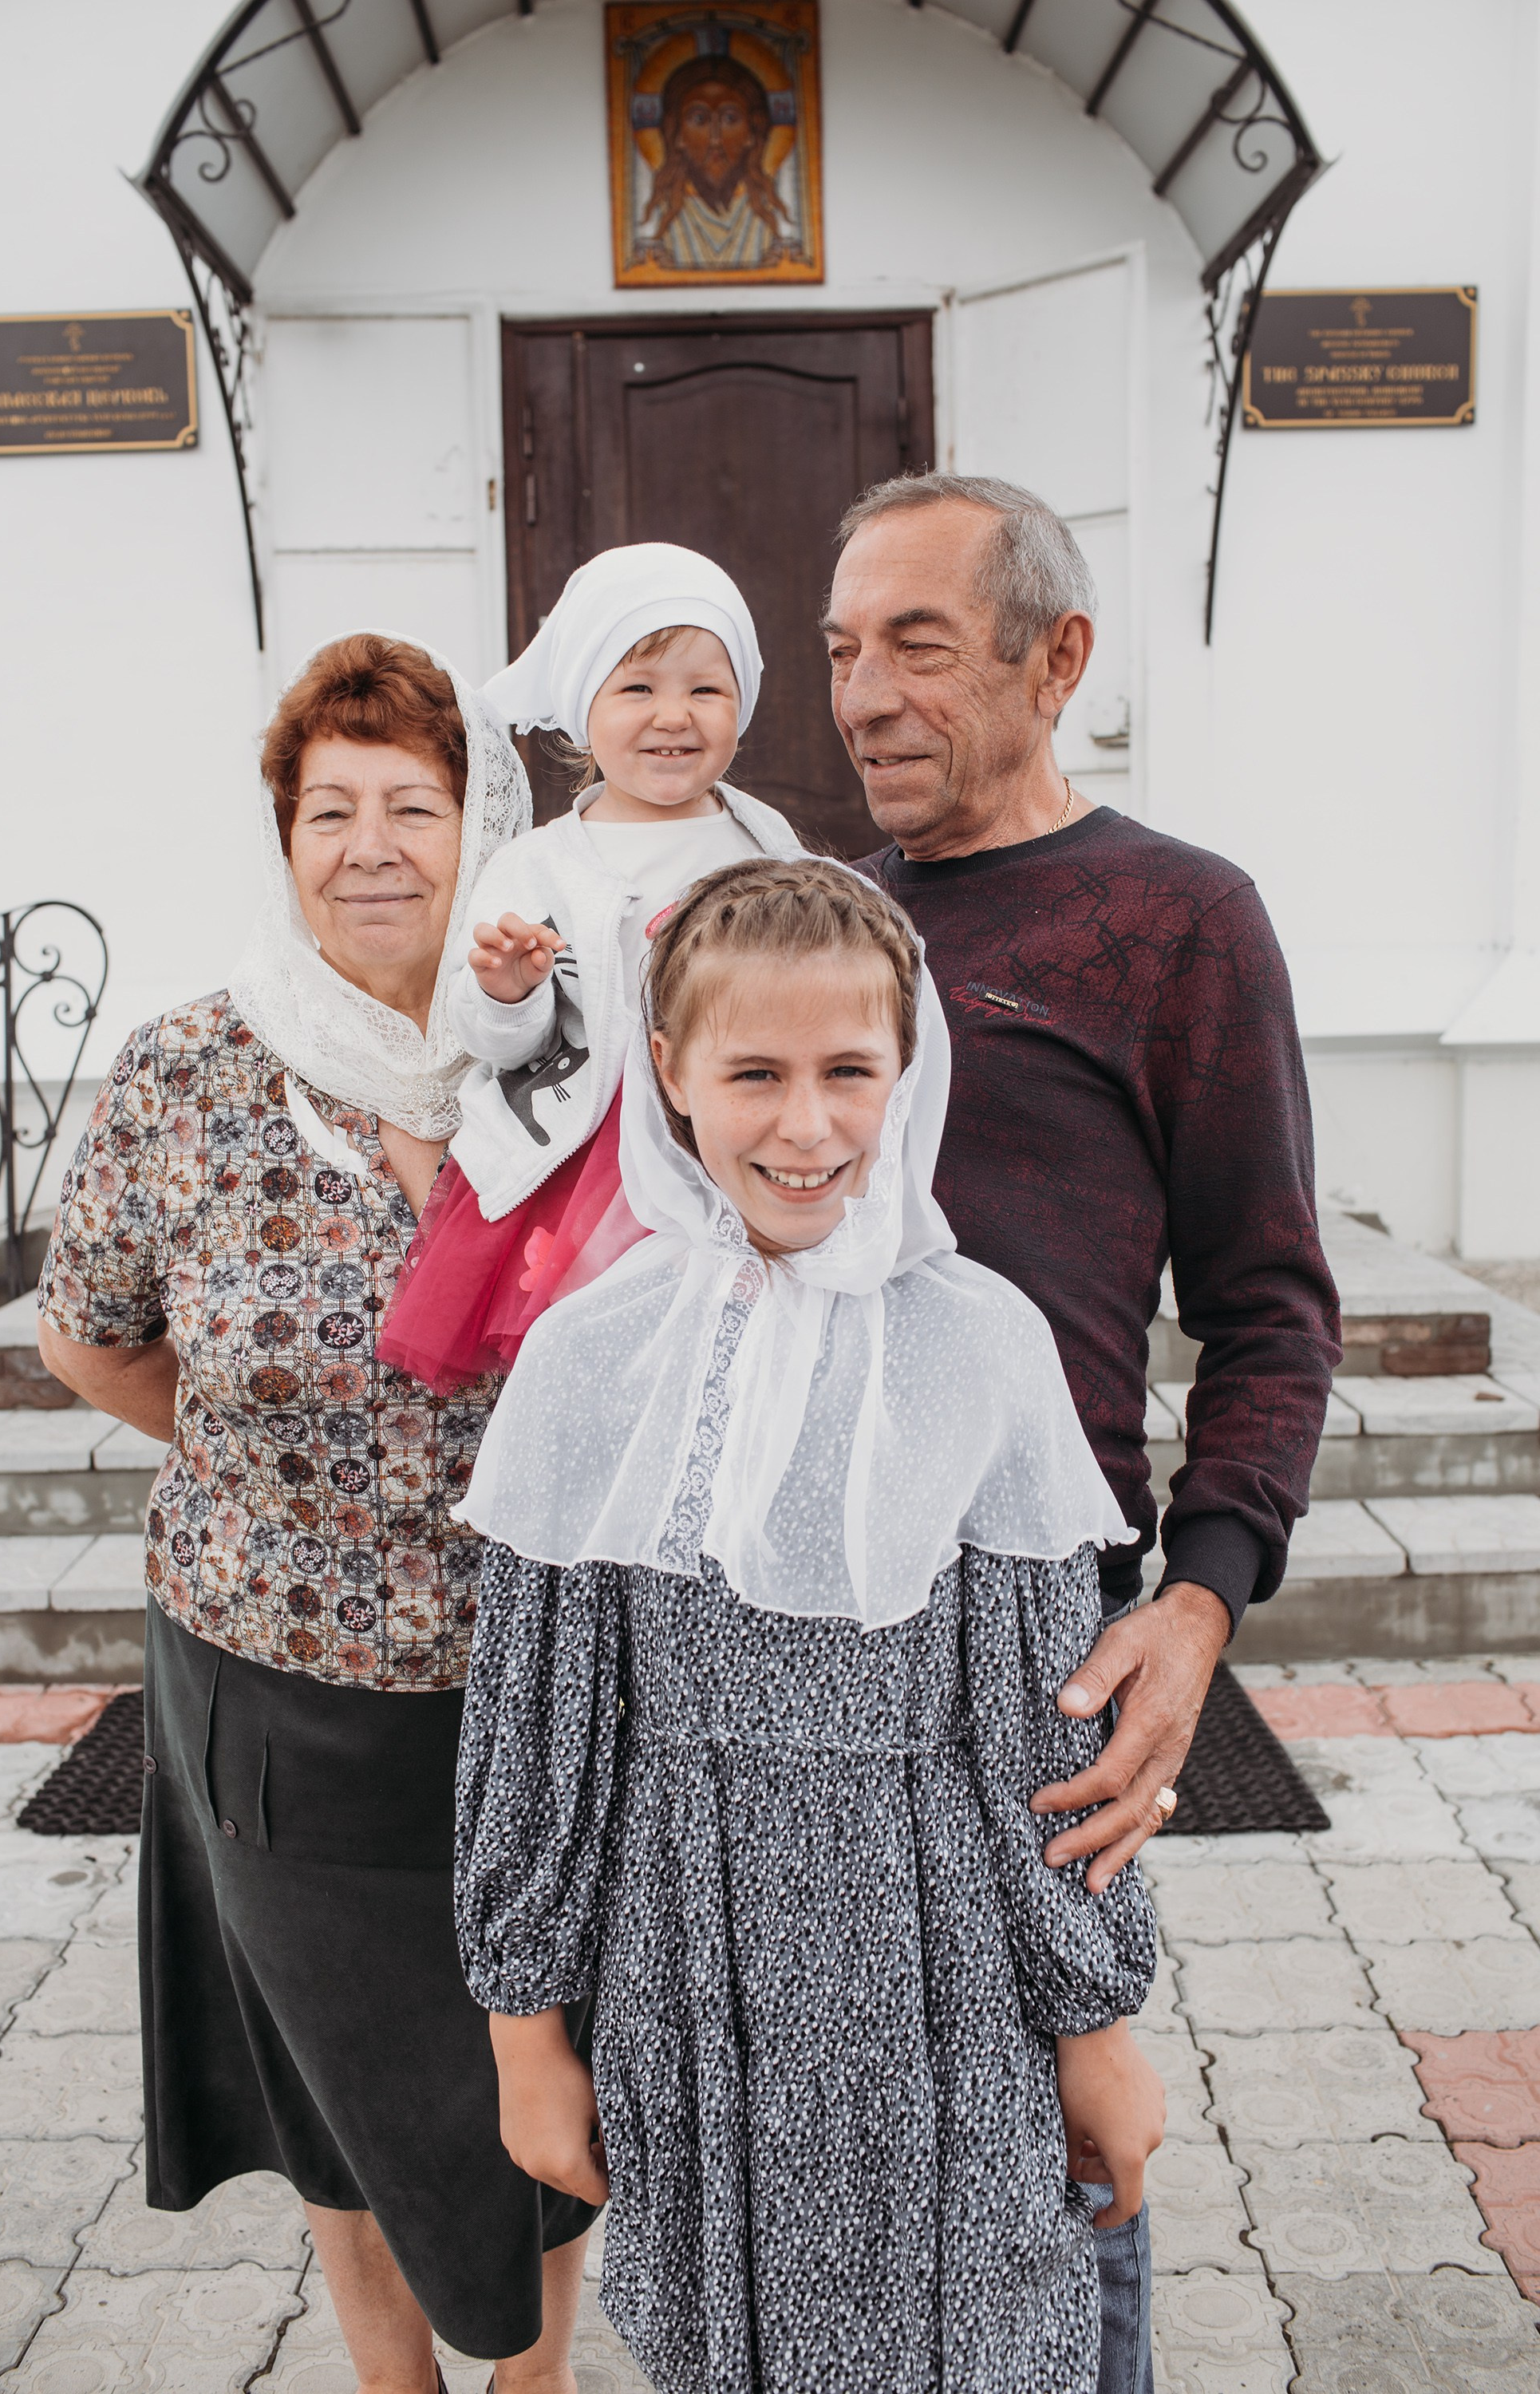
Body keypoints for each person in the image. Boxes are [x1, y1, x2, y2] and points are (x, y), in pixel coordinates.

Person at [452, 857, 1164, 2394]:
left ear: (908, 1074)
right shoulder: (594, 1358)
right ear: (673, 1077)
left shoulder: (977, 1342)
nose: (806, 1124)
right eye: (755, 1073)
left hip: (947, 1962)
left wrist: (1094, 2013)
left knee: (979, 2344)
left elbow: (1044, 1722)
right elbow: (537, 1724)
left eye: (849, 1071)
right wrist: (525, 2029)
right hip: (688, 1957)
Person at [825, 472, 1343, 2387]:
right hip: (786, 1629)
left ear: (1058, 660)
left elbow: (1269, 1306)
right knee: (824, 2137)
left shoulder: (1172, 919)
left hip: (1036, 1636)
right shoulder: (816, 925)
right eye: (840, 649)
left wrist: (1194, 1605)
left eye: (917, 645)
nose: (864, 694)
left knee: (1062, 2136)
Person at [35, 634, 596, 2394]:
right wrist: (272, 1483)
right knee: (333, 2062)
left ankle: (534, 2374)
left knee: (551, 2051)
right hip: (273, 1674)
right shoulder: (190, 1069)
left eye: (412, 805)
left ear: (478, 825)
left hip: (544, 1678)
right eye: (328, 806)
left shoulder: (570, 1066)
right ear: (282, 834)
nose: (371, 845)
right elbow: (88, 1332)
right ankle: (390, 2379)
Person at [377, 543, 801, 1395]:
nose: (672, 716)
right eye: (637, 689)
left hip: (729, 1140)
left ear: (742, 705)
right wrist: (510, 993)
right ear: (583, 706)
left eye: (704, 690)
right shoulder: (537, 866)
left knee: (731, 1353)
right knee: (599, 1361)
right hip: (588, 1157)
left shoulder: (766, 845)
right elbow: (498, 1038)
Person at [642, 54, 792, 273]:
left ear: (751, 132)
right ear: (678, 135)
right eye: (699, 119)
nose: (715, 138)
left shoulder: (770, 212)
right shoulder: (660, 215)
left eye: (729, 119)